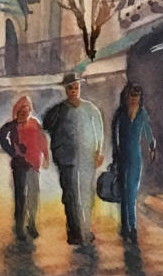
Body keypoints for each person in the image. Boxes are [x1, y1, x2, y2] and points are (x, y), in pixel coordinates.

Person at [42, 73, 104, 246]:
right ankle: (74, 233)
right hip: (66, 160)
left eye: (76, 87)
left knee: (87, 194)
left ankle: (85, 230)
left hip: (87, 159)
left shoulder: (91, 109)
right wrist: (60, 145)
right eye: (70, 88)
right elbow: (46, 126)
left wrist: (99, 152)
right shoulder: (58, 111)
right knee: (70, 196)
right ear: (65, 89)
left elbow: (99, 131)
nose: (74, 91)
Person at [0, 95, 49, 241]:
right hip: (20, 166)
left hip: (34, 165)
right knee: (20, 197)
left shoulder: (35, 123)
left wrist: (46, 156)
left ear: (30, 111)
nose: (24, 114)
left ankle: (31, 224)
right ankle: (19, 227)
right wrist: (13, 152)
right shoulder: (12, 126)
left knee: (33, 195)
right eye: (21, 112)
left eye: (26, 111)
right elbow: (2, 137)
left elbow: (42, 140)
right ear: (17, 112)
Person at [111, 81, 156, 244]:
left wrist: (152, 146)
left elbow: (148, 131)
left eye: (136, 97)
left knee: (131, 192)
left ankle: (132, 227)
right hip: (122, 157)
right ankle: (126, 227)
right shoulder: (120, 114)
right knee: (124, 193)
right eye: (131, 97)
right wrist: (115, 154)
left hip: (135, 158)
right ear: (126, 97)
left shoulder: (142, 114)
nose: (134, 100)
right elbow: (114, 135)